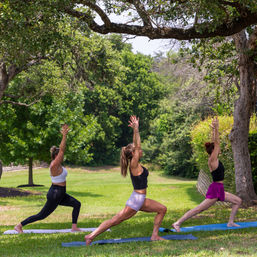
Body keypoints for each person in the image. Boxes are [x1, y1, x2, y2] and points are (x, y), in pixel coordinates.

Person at [85, 116, 167, 245]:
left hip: (140, 199)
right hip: (137, 200)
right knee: (115, 220)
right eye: (137, 150)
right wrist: (136, 130)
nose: (140, 150)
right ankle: (91, 236)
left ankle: (155, 236)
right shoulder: (133, 165)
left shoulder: (136, 164)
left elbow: (137, 147)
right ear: (134, 153)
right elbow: (137, 146)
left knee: (162, 209)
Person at [172, 117, 242, 232]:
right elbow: (217, 144)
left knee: (238, 201)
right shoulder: (212, 160)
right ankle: (177, 223)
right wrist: (217, 128)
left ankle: (230, 222)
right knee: (199, 209)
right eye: (217, 149)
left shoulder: (214, 158)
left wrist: (214, 129)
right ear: (214, 151)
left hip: (219, 189)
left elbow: (215, 143)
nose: (219, 149)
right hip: (215, 190)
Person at [15, 124, 81, 233]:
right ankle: (19, 225)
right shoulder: (54, 164)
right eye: (60, 155)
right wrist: (64, 135)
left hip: (60, 193)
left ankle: (74, 227)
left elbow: (62, 151)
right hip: (55, 193)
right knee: (42, 215)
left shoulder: (59, 165)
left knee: (77, 204)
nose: (63, 156)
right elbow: (62, 150)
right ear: (56, 156)